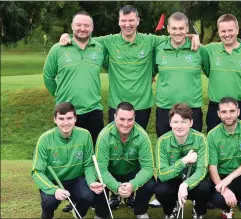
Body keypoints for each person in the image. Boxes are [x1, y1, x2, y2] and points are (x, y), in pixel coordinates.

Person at [59, 5, 200, 209]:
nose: (127, 24)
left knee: (136, 151)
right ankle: (112, 193)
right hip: (117, 107)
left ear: (137, 21)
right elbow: (83, 38)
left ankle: (136, 191)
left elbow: (175, 35)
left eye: (131, 20)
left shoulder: (150, 40)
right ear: (119, 22)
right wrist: (66, 36)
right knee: (114, 152)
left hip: (142, 106)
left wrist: (192, 36)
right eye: (123, 21)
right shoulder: (108, 41)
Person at [31, 102, 104, 219]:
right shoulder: (45, 139)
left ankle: (78, 213)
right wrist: (53, 190)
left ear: (75, 118)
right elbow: (36, 171)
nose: (65, 123)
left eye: (69, 118)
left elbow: (89, 164)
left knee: (89, 196)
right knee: (49, 202)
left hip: (76, 180)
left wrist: (91, 181)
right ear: (55, 119)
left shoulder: (85, 135)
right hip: (54, 182)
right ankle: (47, 214)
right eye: (61, 118)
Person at [44, 11, 106, 148]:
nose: (82, 28)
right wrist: (59, 95)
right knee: (66, 152)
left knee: (94, 152)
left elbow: (115, 67)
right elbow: (48, 77)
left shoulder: (100, 48)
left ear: (92, 28)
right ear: (72, 26)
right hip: (66, 112)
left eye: (86, 25)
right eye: (78, 25)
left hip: (93, 111)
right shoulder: (58, 49)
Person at [94, 102, 156, 219]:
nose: (126, 124)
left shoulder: (142, 136)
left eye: (130, 119)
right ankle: (102, 214)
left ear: (134, 118)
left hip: (132, 173)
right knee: (98, 181)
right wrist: (116, 187)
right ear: (114, 117)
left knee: (151, 183)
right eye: (121, 119)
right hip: (111, 172)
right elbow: (100, 170)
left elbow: (148, 168)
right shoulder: (104, 136)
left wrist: (133, 184)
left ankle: (140, 211)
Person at [154, 12, 209, 137]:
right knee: (165, 149)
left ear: (187, 29)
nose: (177, 32)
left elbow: (210, 71)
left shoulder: (199, 49)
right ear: (168, 28)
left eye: (181, 28)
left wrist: (194, 37)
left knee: (193, 152)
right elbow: (152, 70)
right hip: (165, 109)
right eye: (174, 28)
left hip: (192, 109)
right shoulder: (158, 49)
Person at [205, 14, 241, 133]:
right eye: (223, 31)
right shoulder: (209, 50)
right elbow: (190, 47)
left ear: (237, 30)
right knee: (214, 145)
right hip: (216, 107)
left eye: (230, 30)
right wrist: (194, 37)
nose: (227, 34)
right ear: (219, 32)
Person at [154, 103, 211, 219]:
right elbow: (163, 174)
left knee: (205, 187)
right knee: (161, 190)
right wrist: (184, 161)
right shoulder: (162, 141)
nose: (179, 126)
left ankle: (199, 210)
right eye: (175, 122)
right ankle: (170, 210)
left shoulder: (201, 139)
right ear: (170, 123)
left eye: (183, 121)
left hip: (193, 181)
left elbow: (202, 171)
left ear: (191, 123)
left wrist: (185, 184)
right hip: (171, 181)